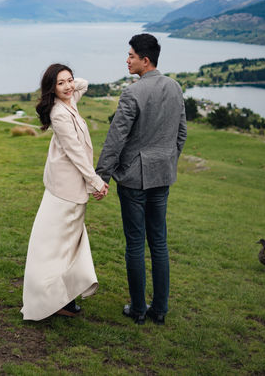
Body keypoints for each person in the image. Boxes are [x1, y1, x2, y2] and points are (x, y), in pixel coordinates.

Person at [95, 33, 187, 325]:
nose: (127, 60)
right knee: (159, 243)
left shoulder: (132, 93)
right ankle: (159, 310)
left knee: (135, 244)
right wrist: (168, 161)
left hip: (134, 180)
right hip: (162, 176)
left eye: (131, 55)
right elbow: (181, 133)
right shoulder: (175, 87)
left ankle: (137, 309)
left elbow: (116, 138)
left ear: (145, 60)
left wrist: (102, 176)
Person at [21, 63, 108, 320]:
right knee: (59, 249)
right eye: (61, 83)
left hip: (69, 190)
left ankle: (62, 298)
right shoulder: (59, 113)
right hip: (65, 193)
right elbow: (75, 152)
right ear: (52, 89)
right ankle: (51, 300)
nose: (69, 86)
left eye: (69, 80)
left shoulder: (69, 101)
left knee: (66, 248)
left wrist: (65, 85)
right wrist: (96, 181)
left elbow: (84, 83)